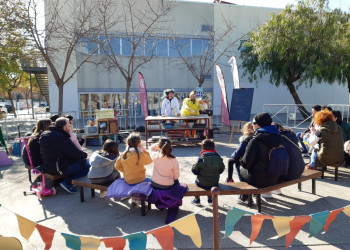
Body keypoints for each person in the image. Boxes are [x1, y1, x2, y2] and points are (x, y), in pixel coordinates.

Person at [40, 117, 90, 193]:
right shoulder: (62, 138)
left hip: (48, 166)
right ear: (64, 127)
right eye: (68, 124)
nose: (70, 125)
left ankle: (66, 180)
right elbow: (76, 153)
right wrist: (85, 155)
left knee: (79, 161)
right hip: (58, 168)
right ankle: (67, 182)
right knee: (87, 165)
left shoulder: (48, 134)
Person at [240, 113, 282, 199]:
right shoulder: (278, 135)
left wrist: (240, 159)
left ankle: (244, 197)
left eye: (254, 123)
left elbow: (246, 163)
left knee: (240, 167)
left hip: (260, 179)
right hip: (276, 176)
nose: (252, 125)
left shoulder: (255, 140)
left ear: (259, 125)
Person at [191, 139, 225, 205]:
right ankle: (210, 199)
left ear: (203, 148)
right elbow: (221, 169)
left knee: (196, 183)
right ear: (214, 148)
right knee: (210, 185)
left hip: (202, 183)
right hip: (214, 182)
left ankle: (197, 200)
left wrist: (199, 173)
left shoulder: (201, 159)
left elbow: (194, 170)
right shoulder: (218, 158)